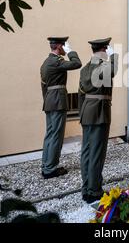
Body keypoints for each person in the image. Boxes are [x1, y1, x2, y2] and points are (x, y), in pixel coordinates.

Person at [78, 37, 118, 203]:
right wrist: (114, 55)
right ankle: (94, 190)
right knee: (97, 152)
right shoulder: (104, 65)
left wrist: (81, 113)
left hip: (87, 111)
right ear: (104, 49)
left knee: (86, 151)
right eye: (107, 49)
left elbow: (80, 93)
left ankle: (86, 187)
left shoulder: (85, 68)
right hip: (99, 112)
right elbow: (113, 69)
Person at [40, 37, 82, 179]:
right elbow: (77, 63)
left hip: (50, 101)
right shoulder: (56, 61)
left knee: (50, 134)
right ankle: (51, 169)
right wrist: (71, 51)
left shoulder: (46, 62)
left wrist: (47, 100)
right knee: (56, 136)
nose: (65, 48)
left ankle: (46, 166)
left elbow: (43, 87)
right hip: (57, 101)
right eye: (64, 46)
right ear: (59, 46)